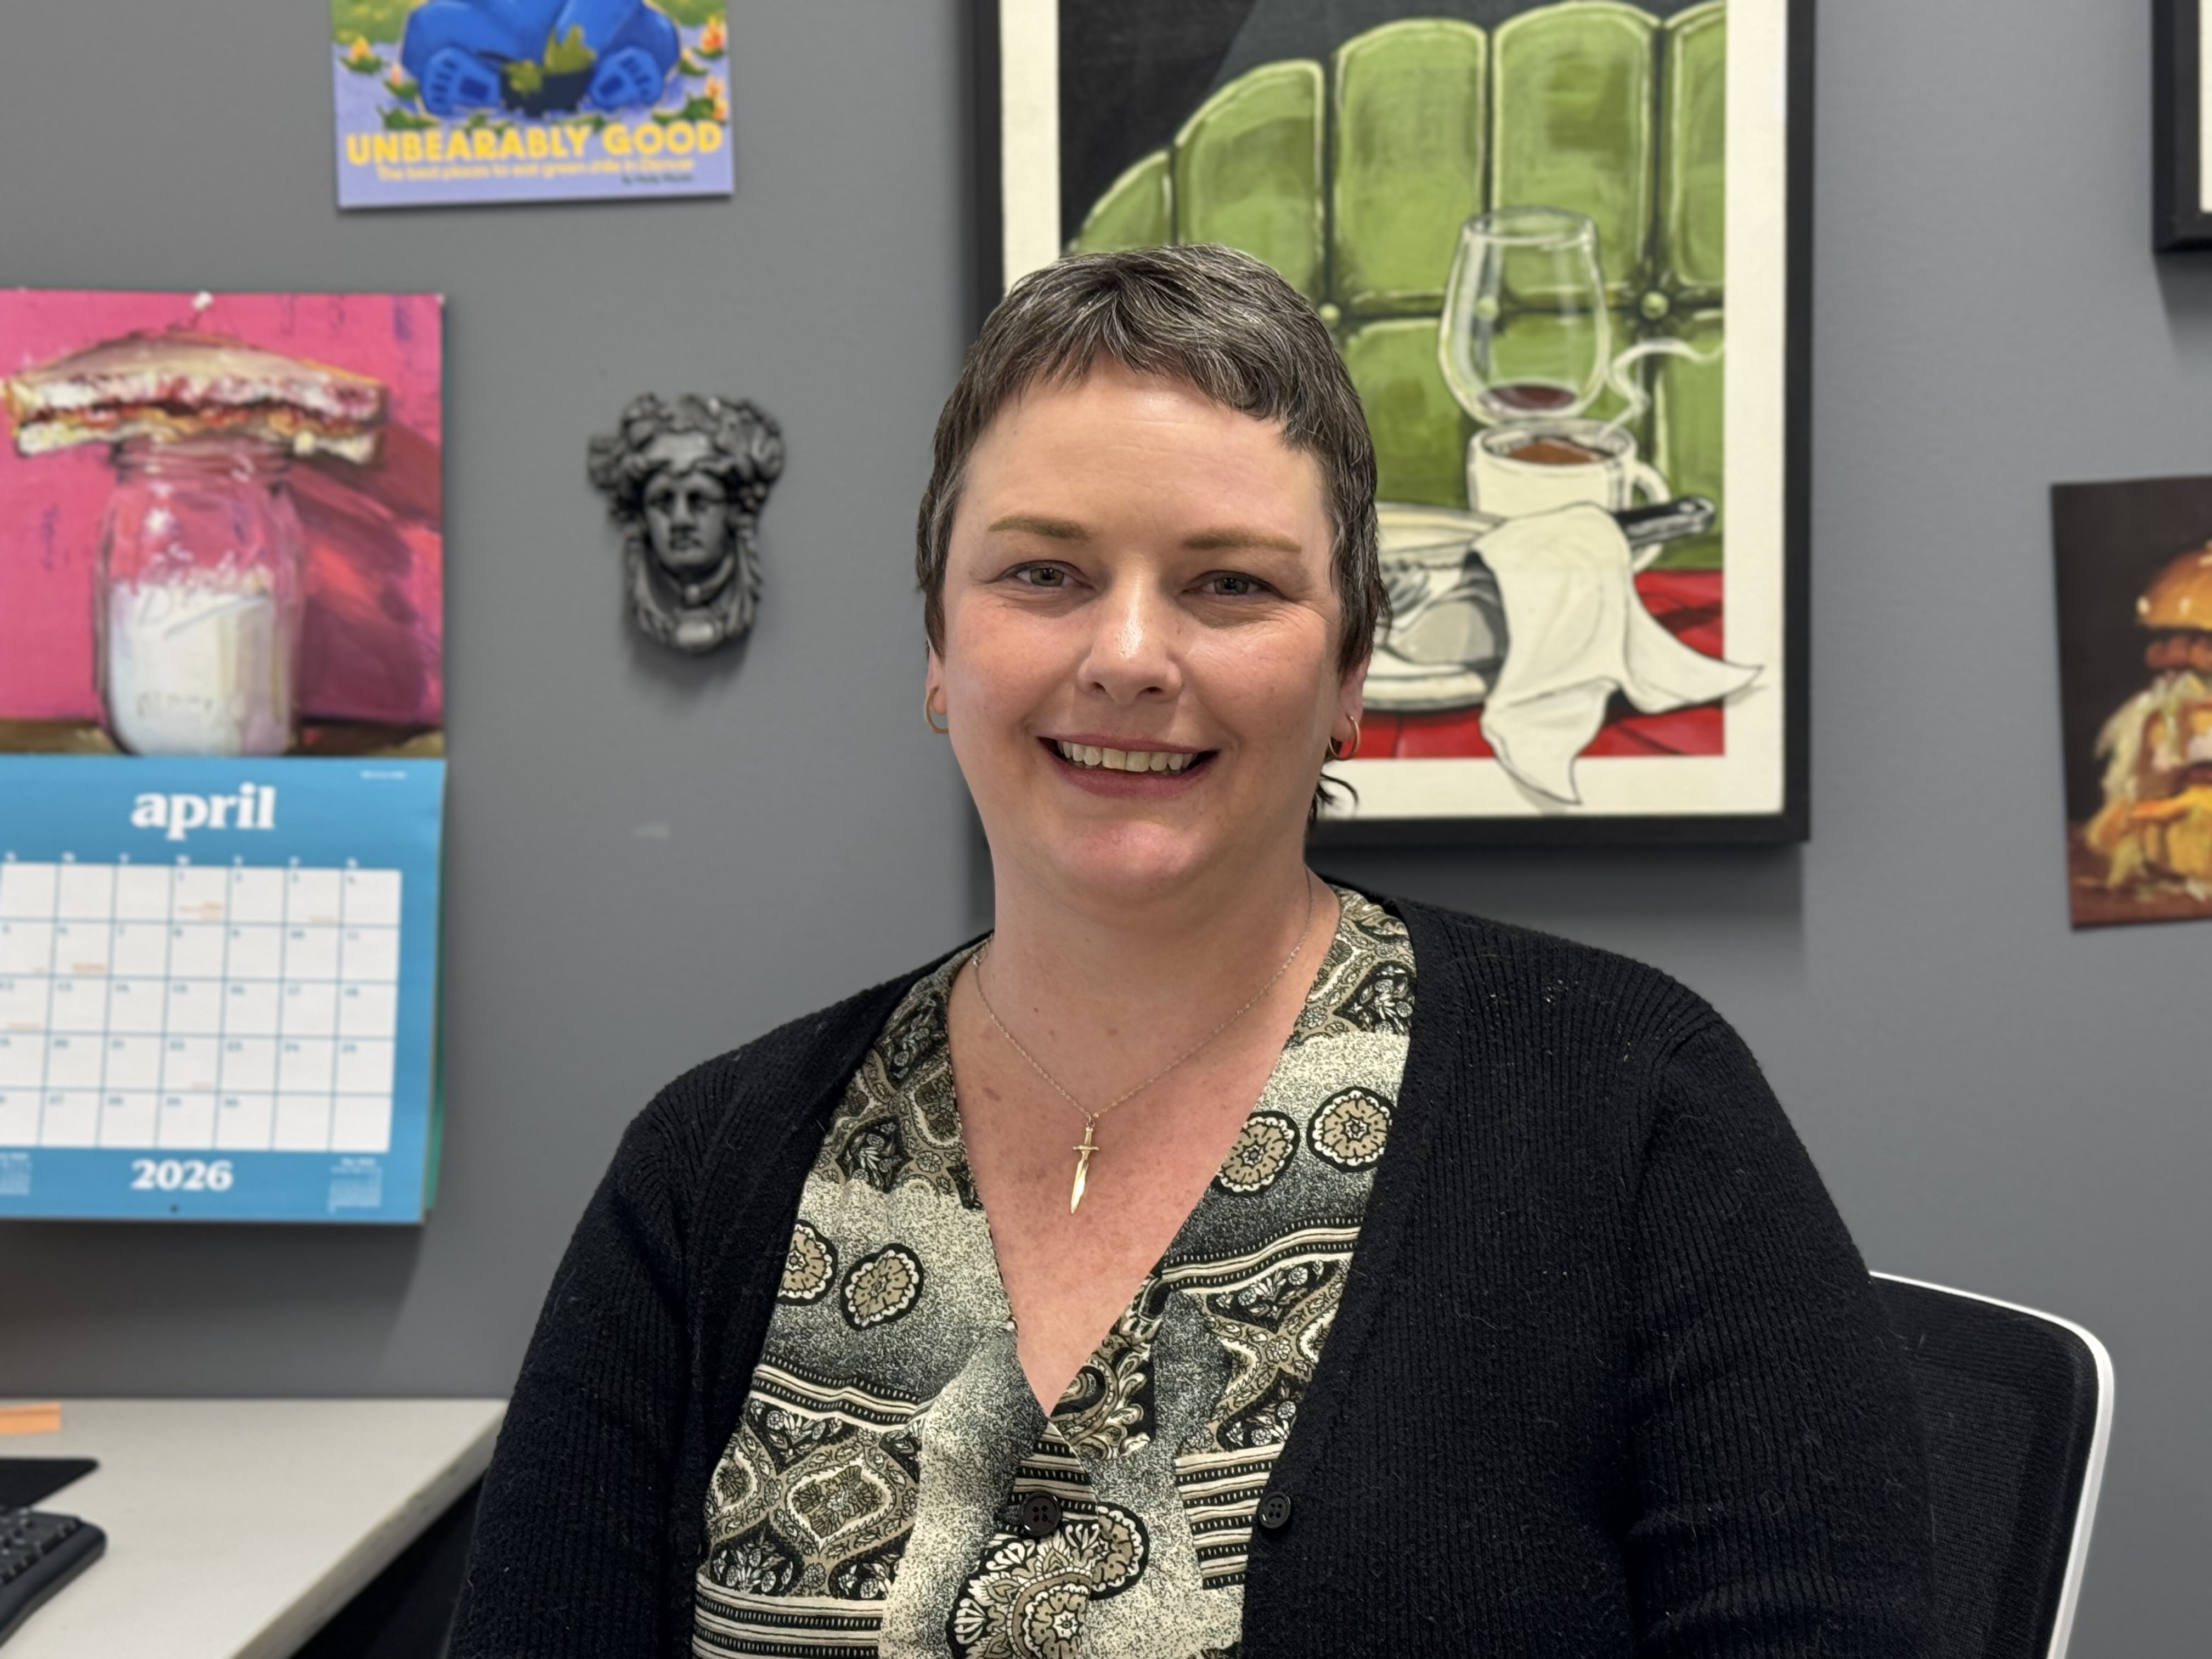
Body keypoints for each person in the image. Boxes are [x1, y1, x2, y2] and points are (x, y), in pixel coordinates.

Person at [452, 245, 1930, 1658]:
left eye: (1231, 584)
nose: (1132, 655)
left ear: (1352, 668)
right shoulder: (709, 1168)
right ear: (935, 648)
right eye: (1044, 574)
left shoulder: (1629, 1102)